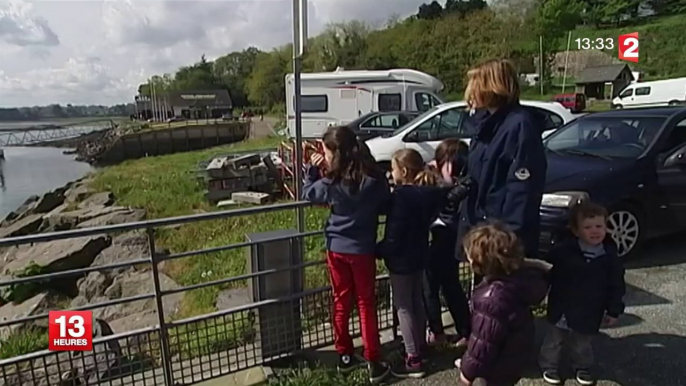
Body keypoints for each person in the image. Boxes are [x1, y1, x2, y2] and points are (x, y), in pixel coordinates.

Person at [301, 125, 391, 384]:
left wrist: (312, 171)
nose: (324, 156)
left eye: (326, 152)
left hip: (336, 248)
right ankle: (374, 359)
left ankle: (345, 355)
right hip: (362, 249)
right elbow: (386, 203)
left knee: (341, 302)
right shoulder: (373, 179)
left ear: (335, 153)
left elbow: (309, 194)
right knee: (366, 303)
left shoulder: (331, 181)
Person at [456, 58, 547, 261]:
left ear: (492, 87)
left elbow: (522, 191)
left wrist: (507, 239)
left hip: (501, 242)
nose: (470, 92)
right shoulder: (486, 125)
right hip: (482, 232)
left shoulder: (519, 126)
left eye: (475, 84)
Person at [539, 201, 626, 386]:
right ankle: (549, 365)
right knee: (555, 339)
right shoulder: (563, 251)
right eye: (588, 227)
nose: (595, 231)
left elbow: (616, 285)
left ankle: (582, 367)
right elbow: (547, 270)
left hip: (590, 309)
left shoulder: (609, 256)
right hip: (563, 305)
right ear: (576, 231)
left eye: (599, 226)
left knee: (582, 343)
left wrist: (613, 310)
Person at [377, 148, 445, 379]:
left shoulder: (401, 198)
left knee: (403, 306)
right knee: (417, 301)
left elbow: (394, 235)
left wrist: (380, 249)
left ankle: (413, 357)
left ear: (403, 171)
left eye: (393, 169)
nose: (390, 173)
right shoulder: (427, 193)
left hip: (401, 258)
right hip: (419, 253)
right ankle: (420, 347)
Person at [457, 222, 549, 386]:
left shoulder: (491, 298)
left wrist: (468, 372)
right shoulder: (516, 281)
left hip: (496, 365)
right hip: (514, 356)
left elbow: (483, 342)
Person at [423, 139, 472, 347]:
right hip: (453, 237)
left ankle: (437, 332)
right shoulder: (468, 182)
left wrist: (432, 174)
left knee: (431, 285)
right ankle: (465, 330)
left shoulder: (450, 188)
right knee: (451, 286)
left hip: (443, 236)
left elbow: (443, 197)